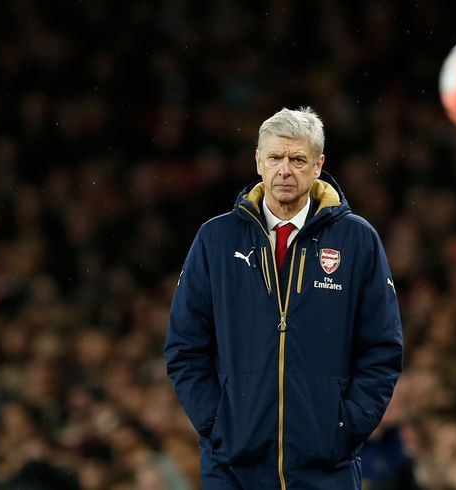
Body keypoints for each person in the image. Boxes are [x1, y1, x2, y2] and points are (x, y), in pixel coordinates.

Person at [164, 107, 403, 489]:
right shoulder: (216, 239)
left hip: (326, 466)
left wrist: (345, 427)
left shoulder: (357, 240)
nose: (285, 170)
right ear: (258, 161)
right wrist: (218, 424)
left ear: (319, 164)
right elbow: (184, 346)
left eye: (297, 159)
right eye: (275, 157)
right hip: (233, 465)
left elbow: (382, 348)